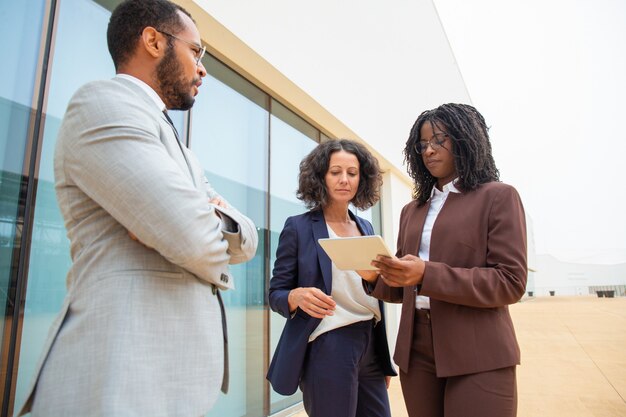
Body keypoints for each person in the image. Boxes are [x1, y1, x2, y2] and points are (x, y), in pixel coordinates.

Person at [18, 1, 258, 416]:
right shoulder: (102, 103)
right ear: (153, 40)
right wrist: (189, 216)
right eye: (196, 52)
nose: (203, 69)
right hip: (118, 375)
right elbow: (191, 235)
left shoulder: (181, 150)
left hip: (173, 380)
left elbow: (246, 240)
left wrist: (182, 215)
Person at [368, 103, 527, 417]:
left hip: (478, 350)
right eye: (423, 144)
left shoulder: (498, 196)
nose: (429, 150)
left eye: (440, 140)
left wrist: (426, 274)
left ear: (466, 140)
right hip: (416, 351)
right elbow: (403, 288)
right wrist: (376, 277)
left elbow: (510, 282)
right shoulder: (411, 211)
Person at [267, 139, 397, 417]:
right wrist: (294, 297)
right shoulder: (298, 227)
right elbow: (276, 293)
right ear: (321, 177)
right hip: (329, 343)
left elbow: (375, 289)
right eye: (335, 171)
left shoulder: (366, 227)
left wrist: (380, 360)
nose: (344, 180)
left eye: (352, 173)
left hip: (370, 342)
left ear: (362, 179)